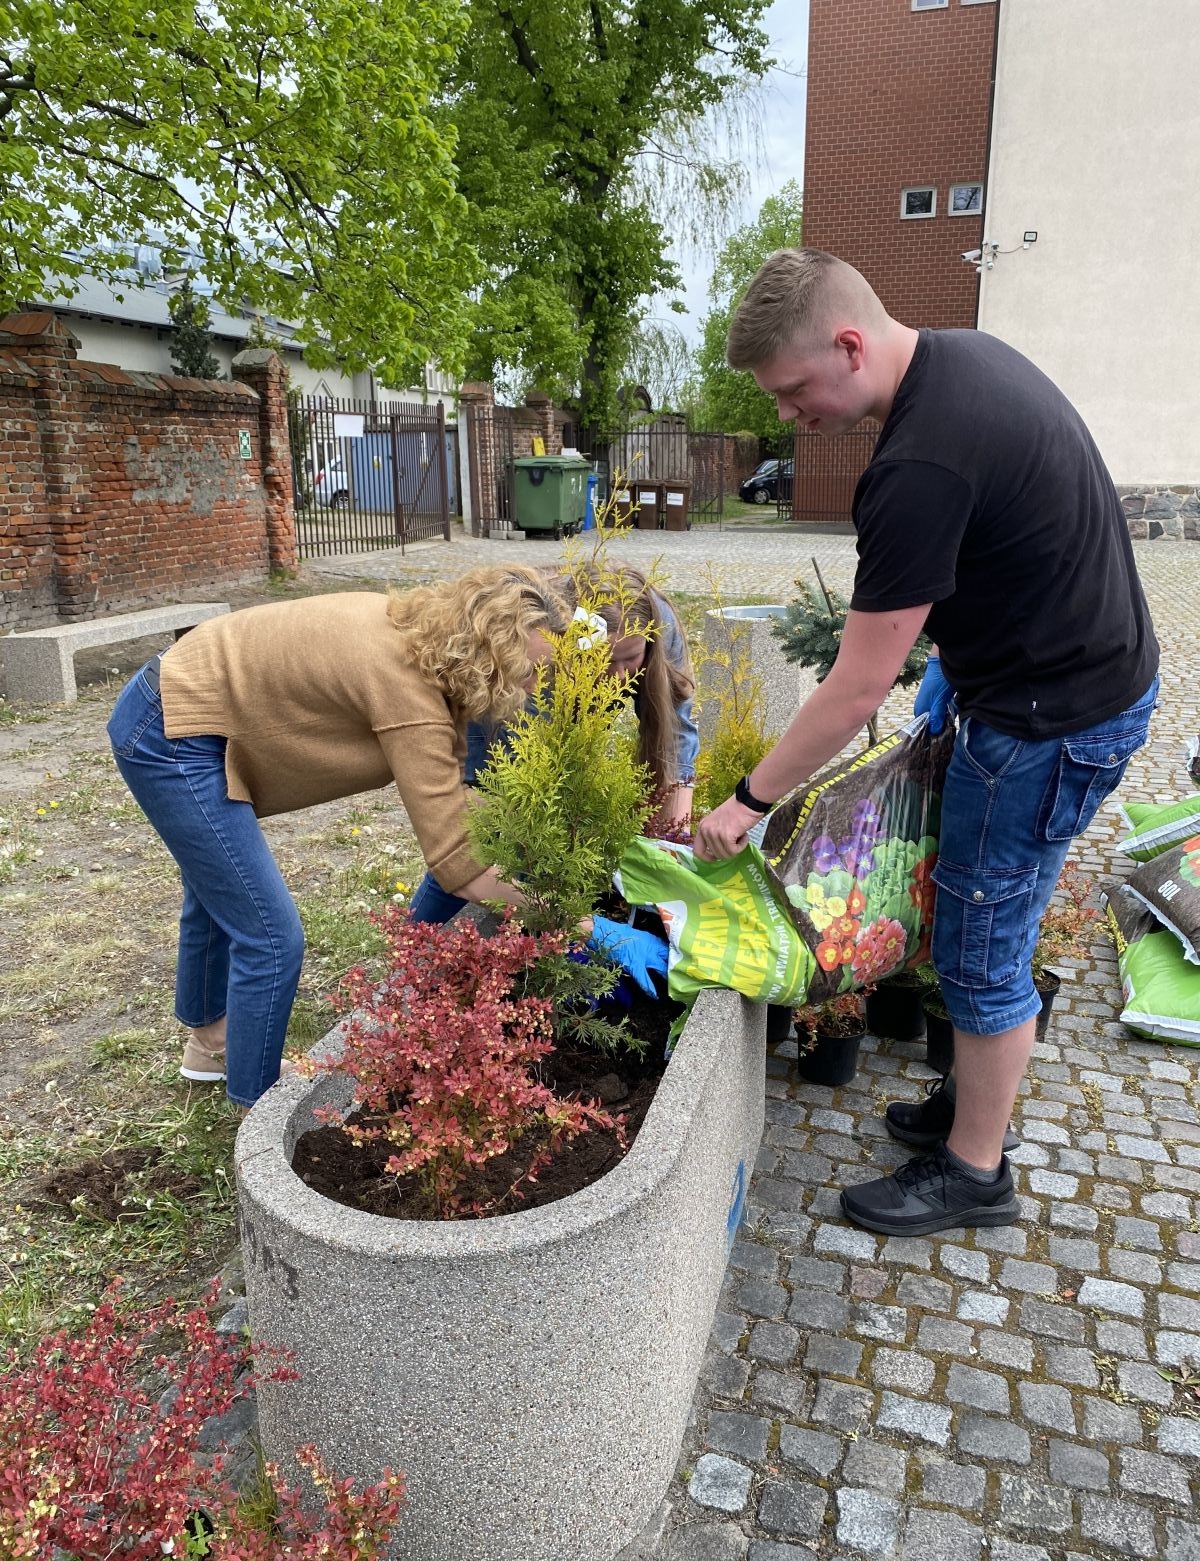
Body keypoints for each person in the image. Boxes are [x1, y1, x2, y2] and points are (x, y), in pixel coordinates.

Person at [693, 247, 1159, 1236]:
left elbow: (858, 679)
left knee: (982, 943)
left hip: (1046, 724)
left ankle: (974, 1173)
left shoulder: (915, 465)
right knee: (987, 915)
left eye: (792, 390)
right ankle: (969, 1106)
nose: (788, 416)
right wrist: (950, 679)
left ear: (848, 345)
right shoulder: (962, 360)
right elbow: (990, 557)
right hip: (1072, 688)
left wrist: (748, 797)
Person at [108, 567, 664, 1111]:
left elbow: (458, 801)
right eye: (527, 673)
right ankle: (258, 1116)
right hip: (170, 730)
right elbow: (457, 866)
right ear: (489, 653)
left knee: (217, 888)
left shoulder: (429, 634)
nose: (531, 688)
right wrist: (585, 925)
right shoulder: (408, 693)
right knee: (271, 937)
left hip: (191, 699)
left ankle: (210, 1046)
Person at [407, 560, 700, 924]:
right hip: (510, 703)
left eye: (631, 658)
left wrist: (675, 841)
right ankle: (415, 938)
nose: (620, 675)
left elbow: (676, 738)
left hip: (570, 689)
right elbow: (524, 778)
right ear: (577, 645)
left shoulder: (656, 621)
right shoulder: (538, 643)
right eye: (607, 659)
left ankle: (533, 929)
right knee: (493, 821)